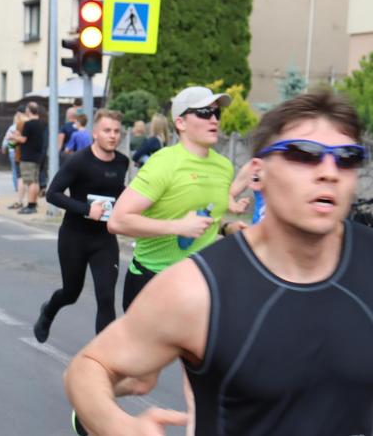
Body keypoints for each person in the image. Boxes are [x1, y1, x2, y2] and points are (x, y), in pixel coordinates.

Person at [65, 90, 373, 435]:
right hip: (170, 277)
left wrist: (226, 226)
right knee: (143, 379)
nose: (329, 172)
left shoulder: (223, 166)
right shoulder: (192, 284)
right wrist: (117, 425)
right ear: (260, 173)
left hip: (207, 270)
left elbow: (211, 217)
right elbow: (86, 367)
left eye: (347, 157)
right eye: (304, 154)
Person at [108, 86, 243, 312]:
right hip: (153, 281)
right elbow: (118, 221)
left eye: (216, 113)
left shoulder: (224, 167)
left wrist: (226, 228)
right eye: (204, 112)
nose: (213, 119)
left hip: (199, 281)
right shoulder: (164, 163)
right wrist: (178, 227)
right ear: (181, 123)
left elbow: (202, 215)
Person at [33, 109, 129, 343]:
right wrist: (87, 210)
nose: (113, 135)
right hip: (74, 238)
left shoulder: (122, 162)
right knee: (71, 293)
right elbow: (53, 194)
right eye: (107, 130)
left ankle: (104, 360)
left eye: (117, 131)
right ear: (95, 133)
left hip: (104, 239)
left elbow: (118, 192)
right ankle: (48, 311)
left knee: (106, 297)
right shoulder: (78, 161)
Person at [11, 102, 46, 214]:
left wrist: (15, 136)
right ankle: (33, 204)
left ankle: (31, 205)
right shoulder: (41, 123)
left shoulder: (29, 124)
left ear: (28, 111)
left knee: (30, 182)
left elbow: (24, 140)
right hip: (37, 156)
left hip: (27, 156)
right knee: (35, 182)